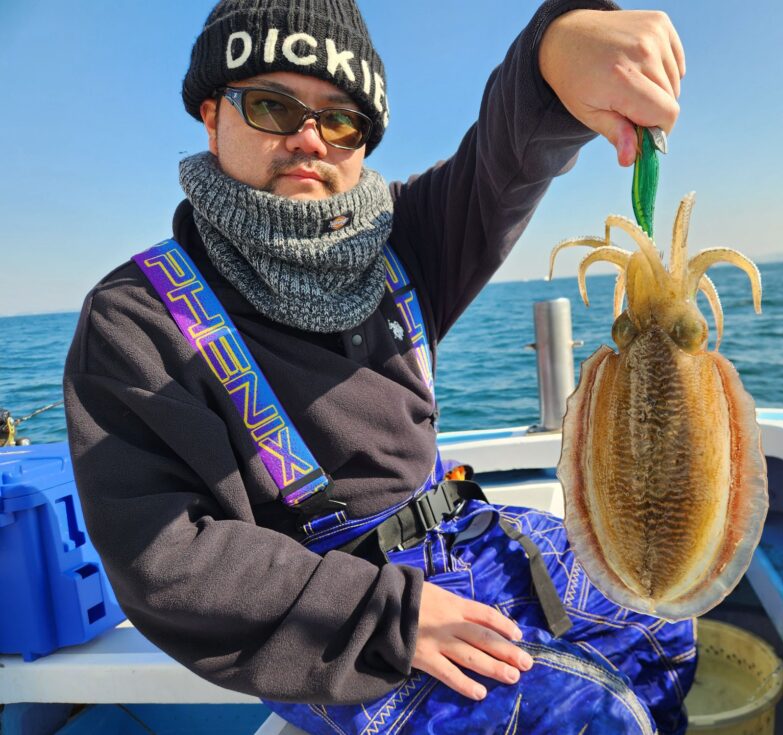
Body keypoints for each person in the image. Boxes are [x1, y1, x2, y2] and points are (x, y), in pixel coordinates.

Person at [63, 0, 694, 732]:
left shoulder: (407, 237)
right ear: (211, 115)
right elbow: (167, 560)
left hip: (465, 534)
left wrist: (559, 46)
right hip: (331, 620)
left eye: (340, 120)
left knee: (663, 621)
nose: (309, 139)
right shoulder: (135, 316)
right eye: (272, 105)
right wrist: (388, 616)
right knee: (594, 720)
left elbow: (505, 158)